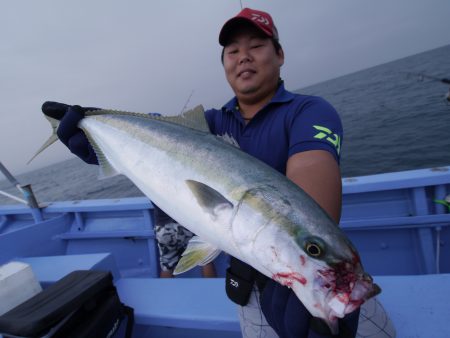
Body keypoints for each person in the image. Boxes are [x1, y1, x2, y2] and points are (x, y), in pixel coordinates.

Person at [44, 7, 395, 338]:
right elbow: (152, 135)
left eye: (257, 46)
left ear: (280, 54)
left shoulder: (308, 111)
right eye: (232, 51)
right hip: (250, 294)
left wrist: (306, 267)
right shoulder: (207, 125)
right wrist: (98, 140)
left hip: (323, 282)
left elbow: (311, 196)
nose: (244, 56)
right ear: (225, 64)